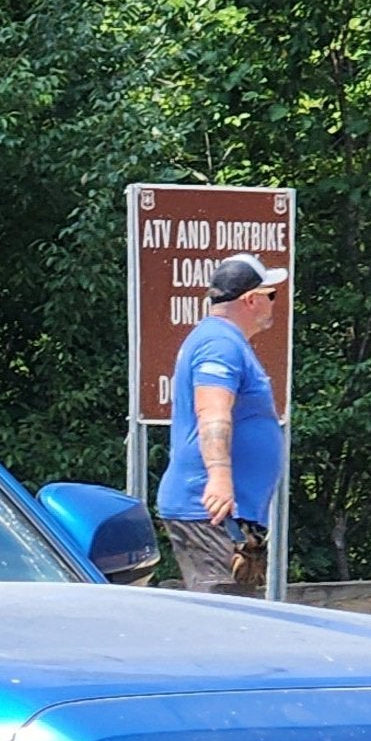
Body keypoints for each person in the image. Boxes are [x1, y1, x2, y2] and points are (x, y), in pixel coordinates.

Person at [155, 253, 288, 595]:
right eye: (271, 295)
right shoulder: (219, 344)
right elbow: (212, 412)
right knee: (221, 626)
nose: (275, 303)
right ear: (251, 299)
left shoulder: (224, 341)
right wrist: (219, 477)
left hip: (223, 513)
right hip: (209, 510)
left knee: (234, 622)